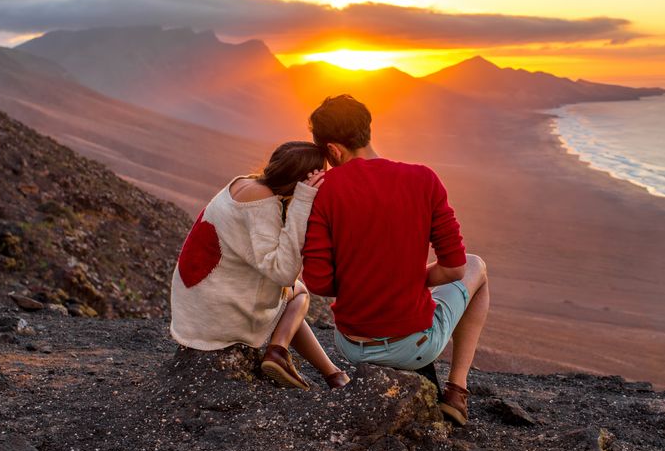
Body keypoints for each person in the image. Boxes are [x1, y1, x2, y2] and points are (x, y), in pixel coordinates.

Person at [302, 95, 489, 425]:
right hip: (413, 346)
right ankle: (457, 390)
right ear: (366, 130)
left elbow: (318, 282)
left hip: (352, 345)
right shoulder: (423, 179)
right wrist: (411, 278)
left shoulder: (324, 191)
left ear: (332, 150)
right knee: (477, 267)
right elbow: (455, 268)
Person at [169, 140, 349, 390]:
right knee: (298, 293)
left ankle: (331, 374)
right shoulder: (262, 205)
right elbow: (284, 274)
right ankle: (279, 352)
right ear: (302, 182)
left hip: (195, 308)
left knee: (286, 301)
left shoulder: (245, 183)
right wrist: (303, 203)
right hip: (215, 320)